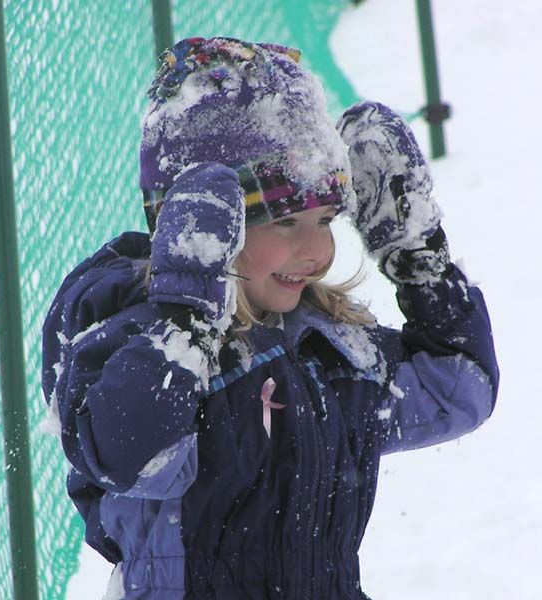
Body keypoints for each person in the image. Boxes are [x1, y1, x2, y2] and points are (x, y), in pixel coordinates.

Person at [42, 37, 499, 600]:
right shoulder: (138, 335)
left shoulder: (327, 350)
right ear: (206, 222)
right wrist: (188, 318)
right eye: (286, 223)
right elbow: (129, 455)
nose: (319, 252)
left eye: (328, 218)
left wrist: (420, 259)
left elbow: (459, 391)